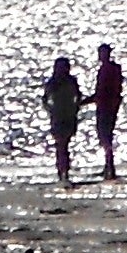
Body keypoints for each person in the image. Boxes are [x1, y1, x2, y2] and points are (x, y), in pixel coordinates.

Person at [42, 51, 84, 184]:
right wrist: (50, 110)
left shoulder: (70, 81)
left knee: (63, 144)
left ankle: (63, 169)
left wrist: (76, 107)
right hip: (59, 115)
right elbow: (45, 98)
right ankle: (62, 169)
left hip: (68, 114)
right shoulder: (53, 82)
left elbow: (78, 95)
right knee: (61, 144)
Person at [90, 43, 127, 179]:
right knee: (105, 135)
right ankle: (108, 165)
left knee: (105, 135)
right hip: (106, 104)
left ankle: (109, 166)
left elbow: (107, 90)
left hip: (107, 105)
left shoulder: (111, 69)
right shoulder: (107, 69)